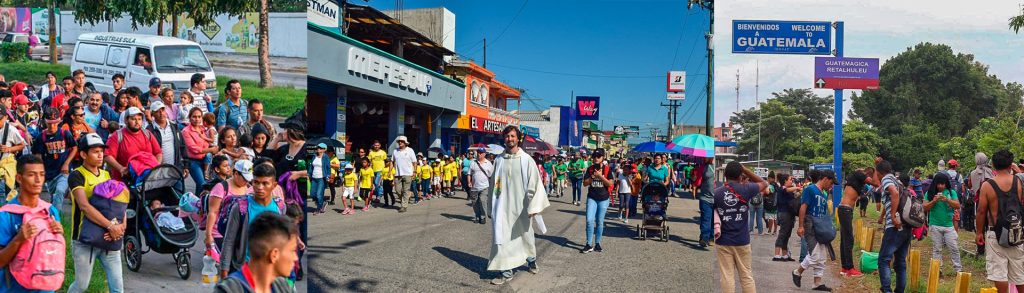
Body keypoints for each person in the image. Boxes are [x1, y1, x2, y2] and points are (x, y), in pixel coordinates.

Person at [487, 126, 550, 285]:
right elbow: (493, 185)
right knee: (501, 238)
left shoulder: (526, 160)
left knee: (525, 236)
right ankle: (506, 272)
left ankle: (531, 260)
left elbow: (535, 184)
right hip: (502, 207)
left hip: (521, 207)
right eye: (507, 136)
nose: (510, 139)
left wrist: (533, 207)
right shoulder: (499, 160)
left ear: (518, 138)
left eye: (513, 136)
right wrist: (491, 207)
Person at [67, 133, 124, 293]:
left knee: (118, 288)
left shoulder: (106, 175)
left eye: (101, 151)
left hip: (109, 238)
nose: (100, 155)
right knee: (81, 285)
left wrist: (121, 227)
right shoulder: (76, 175)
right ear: (83, 154)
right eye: (95, 151)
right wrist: (110, 226)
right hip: (84, 240)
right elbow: (84, 206)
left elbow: (119, 203)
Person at [0, 155, 64, 293]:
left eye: (41, 174)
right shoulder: (6, 215)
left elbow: (54, 255)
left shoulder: (50, 211)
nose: (38, 180)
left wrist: (59, 236)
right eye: (31, 175)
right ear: (19, 178)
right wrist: (18, 240)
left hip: (46, 288)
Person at [220, 163, 284, 278]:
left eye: (265, 183)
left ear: (274, 185)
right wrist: (224, 270)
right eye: (256, 182)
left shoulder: (280, 207)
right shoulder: (240, 207)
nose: (260, 187)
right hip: (244, 269)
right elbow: (229, 240)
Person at [713, 161, 767, 293]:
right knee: (746, 276)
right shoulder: (746, 188)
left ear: (725, 175)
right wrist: (746, 170)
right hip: (742, 240)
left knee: (727, 276)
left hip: (723, 240)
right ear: (740, 175)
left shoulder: (717, 193)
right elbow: (765, 184)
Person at [975, 150, 1024, 293]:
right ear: (1010, 164)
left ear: (993, 166)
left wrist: (979, 232)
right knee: (1019, 273)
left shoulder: (987, 185)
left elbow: (981, 211)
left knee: (999, 272)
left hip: (995, 232)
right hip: (1017, 232)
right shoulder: (1018, 182)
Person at [213, 213, 298, 293]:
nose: (295, 258)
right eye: (292, 251)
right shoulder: (229, 290)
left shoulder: (283, 286)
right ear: (274, 255)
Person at [792, 169, 837, 291]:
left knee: (822, 256)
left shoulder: (823, 194)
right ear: (826, 179)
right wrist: (801, 226)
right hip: (810, 225)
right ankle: (797, 271)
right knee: (815, 254)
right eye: (831, 183)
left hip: (820, 227)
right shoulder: (810, 189)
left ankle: (817, 283)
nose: (831, 186)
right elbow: (803, 207)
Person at [874, 160, 913, 293]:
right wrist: (882, 216)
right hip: (906, 226)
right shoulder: (898, 181)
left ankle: (886, 290)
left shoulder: (886, 179)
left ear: (878, 172)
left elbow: (894, 194)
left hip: (895, 227)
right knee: (900, 263)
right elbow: (892, 199)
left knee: (883, 260)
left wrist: (892, 216)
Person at [32, 108, 77, 209]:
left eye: (55, 123)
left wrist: (67, 163)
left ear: (59, 121)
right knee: (54, 195)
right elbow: (38, 155)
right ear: (45, 122)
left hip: (63, 171)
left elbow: (74, 147)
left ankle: (57, 218)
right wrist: (40, 169)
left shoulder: (65, 133)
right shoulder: (41, 137)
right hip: (50, 172)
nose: (52, 126)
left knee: (60, 191)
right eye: (49, 123)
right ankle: (52, 216)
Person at [205, 160, 254, 249]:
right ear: (236, 173)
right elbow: (212, 212)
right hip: (220, 232)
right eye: (244, 179)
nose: (246, 182)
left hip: (239, 233)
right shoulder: (221, 188)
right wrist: (208, 235)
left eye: (248, 180)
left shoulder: (249, 189)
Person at [104, 107, 161, 182]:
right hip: (124, 182)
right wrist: (121, 168)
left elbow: (158, 152)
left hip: (147, 180)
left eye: (139, 119)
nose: (137, 122)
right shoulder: (117, 135)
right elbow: (107, 156)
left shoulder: (147, 134)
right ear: (126, 120)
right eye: (133, 119)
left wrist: (156, 167)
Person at [924, 172, 962, 273]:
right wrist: (934, 201)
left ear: (946, 183)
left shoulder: (951, 192)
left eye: (943, 184)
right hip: (935, 224)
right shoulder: (930, 193)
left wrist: (947, 200)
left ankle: (958, 269)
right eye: (939, 184)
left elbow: (957, 205)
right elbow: (924, 207)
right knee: (937, 248)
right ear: (935, 183)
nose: (941, 186)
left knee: (954, 247)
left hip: (949, 225)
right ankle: (938, 270)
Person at [581, 148, 612, 253]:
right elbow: (585, 183)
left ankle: (597, 243)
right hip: (592, 198)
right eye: (594, 156)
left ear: (603, 158)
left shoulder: (608, 169)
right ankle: (589, 244)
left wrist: (601, 177)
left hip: (603, 199)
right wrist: (593, 176)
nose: (596, 158)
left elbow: (610, 184)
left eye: (598, 156)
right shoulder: (590, 169)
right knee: (589, 220)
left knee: (599, 222)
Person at [837, 171, 866, 277]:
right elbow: (875, 183)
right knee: (848, 239)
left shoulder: (851, 183)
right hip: (846, 210)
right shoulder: (857, 177)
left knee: (844, 239)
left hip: (844, 209)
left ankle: (845, 267)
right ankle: (849, 268)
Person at [148, 101, 186, 181]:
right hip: (158, 172)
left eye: (162, 110)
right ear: (153, 114)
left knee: (178, 192)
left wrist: (186, 165)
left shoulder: (174, 126)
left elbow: (182, 146)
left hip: (175, 169)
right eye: (157, 111)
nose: (161, 113)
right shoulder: (149, 130)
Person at [183, 108, 218, 195]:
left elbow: (207, 142)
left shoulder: (202, 128)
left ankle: (198, 204)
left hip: (205, 159)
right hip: (193, 161)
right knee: (202, 184)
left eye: (199, 117)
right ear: (190, 117)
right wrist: (210, 150)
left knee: (203, 186)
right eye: (194, 117)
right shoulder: (186, 131)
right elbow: (194, 149)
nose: (197, 119)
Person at [773, 174, 802, 262]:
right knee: (783, 233)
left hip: (790, 214)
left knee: (787, 234)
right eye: (790, 179)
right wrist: (797, 188)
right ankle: (777, 254)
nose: (791, 181)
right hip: (784, 214)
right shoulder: (782, 189)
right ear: (785, 181)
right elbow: (787, 189)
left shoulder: (789, 191)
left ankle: (785, 255)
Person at [0, 104, 26, 201]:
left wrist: (9, 149)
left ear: (6, 117)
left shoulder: (11, 130)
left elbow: (22, 145)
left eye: (0, 118)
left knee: (7, 189)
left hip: (7, 162)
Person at [391, 136, 417, 213]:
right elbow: (392, 161)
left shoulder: (410, 150)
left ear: (405, 143)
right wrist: (389, 171)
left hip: (408, 174)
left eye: (402, 141)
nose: (400, 143)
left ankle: (404, 206)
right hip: (397, 174)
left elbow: (414, 162)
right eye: (399, 141)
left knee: (406, 190)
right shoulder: (395, 151)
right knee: (397, 190)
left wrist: (414, 172)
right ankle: (405, 200)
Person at [468, 148, 493, 224]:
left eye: (481, 153)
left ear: (484, 154)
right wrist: (469, 182)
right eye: (478, 152)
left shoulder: (488, 163)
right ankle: (477, 216)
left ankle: (483, 217)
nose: (479, 154)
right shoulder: (473, 163)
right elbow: (469, 173)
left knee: (482, 201)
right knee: (474, 202)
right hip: (474, 187)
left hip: (484, 187)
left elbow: (492, 175)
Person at [698, 157, 715, 247]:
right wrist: (696, 176)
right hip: (705, 198)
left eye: (706, 156)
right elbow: (698, 182)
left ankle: (711, 238)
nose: (704, 158)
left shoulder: (720, 167)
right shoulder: (702, 167)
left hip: (717, 199)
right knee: (706, 219)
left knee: (714, 220)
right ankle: (704, 238)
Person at [308, 143, 329, 214]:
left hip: (321, 178)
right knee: (312, 194)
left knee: (319, 194)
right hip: (314, 178)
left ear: (324, 149)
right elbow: (311, 167)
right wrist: (309, 174)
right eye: (318, 147)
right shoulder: (314, 156)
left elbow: (328, 167)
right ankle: (322, 203)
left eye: (320, 148)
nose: (318, 149)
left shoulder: (325, 157)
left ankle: (318, 209)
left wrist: (328, 176)